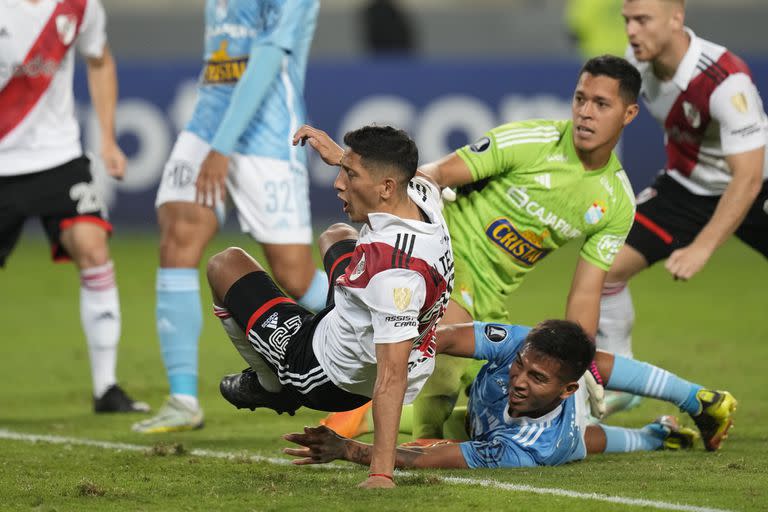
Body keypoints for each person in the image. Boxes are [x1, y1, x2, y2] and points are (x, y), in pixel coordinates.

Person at [324, 54, 641, 441]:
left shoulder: (617, 201)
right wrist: (420, 210)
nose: (585, 113)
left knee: (503, 419)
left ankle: (367, 417)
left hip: (492, 295)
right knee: (442, 343)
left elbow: (586, 292)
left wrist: (576, 360)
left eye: (601, 104)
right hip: (448, 258)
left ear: (629, 114)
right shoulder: (533, 142)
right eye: (580, 99)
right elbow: (437, 172)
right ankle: (423, 440)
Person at [207, 124, 454, 489]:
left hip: (331, 372)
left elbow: (391, 377)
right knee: (336, 235)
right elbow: (415, 174)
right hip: (362, 324)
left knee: (223, 265)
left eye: (349, 174)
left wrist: (381, 473)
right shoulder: (421, 195)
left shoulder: (395, 275)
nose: (339, 183)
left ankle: (271, 382)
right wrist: (342, 155)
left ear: (385, 188)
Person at [133, 0, 326, 433]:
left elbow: (270, 55)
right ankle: (184, 398)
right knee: (178, 233)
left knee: (295, 276)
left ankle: (388, 341)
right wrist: (213, 136)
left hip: (269, 131)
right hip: (208, 119)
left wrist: (223, 145)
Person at [597, 0, 768, 414]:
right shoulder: (634, 68)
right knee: (605, 267)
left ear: (677, 18)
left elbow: (746, 177)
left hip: (755, 186)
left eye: (642, 21)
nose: (631, 31)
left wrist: (703, 246)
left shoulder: (725, 80)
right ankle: (625, 378)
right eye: (627, 21)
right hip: (686, 188)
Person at [283, 319, 737, 473]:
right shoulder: (523, 343)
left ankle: (658, 435)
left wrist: (347, 451)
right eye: (520, 366)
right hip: (489, 413)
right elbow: (445, 338)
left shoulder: (529, 449)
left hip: (542, 434)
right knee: (443, 371)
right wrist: (391, 338)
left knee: (588, 441)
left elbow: (424, 461)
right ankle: (690, 403)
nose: (519, 379)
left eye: (535, 378)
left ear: (566, 389)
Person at [0, 0, 148, 413]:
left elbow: (99, 61)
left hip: (58, 158)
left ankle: (106, 388)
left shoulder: (80, 7)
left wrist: (107, 138)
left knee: (92, 246)